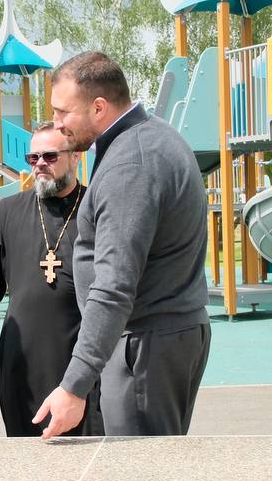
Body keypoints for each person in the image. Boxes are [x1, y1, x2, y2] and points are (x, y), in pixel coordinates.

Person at [32, 51, 211, 439]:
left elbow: (113, 285)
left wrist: (74, 384)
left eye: (63, 112)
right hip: (160, 339)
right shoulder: (150, 137)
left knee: (139, 471)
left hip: (145, 347)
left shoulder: (131, 165)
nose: (57, 124)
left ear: (98, 107)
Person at [0, 122, 103, 437]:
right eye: (33, 158)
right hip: (21, 363)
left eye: (50, 156)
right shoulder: (8, 212)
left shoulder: (96, 209)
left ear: (76, 156)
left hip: (82, 359)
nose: (39, 164)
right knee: (25, 451)